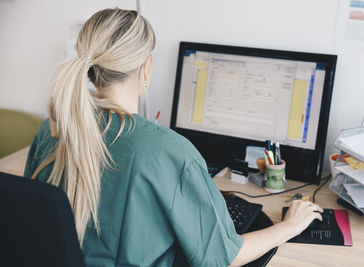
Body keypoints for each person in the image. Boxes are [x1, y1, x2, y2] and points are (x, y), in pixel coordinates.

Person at [24, 8, 323, 267]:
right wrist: (290, 226)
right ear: (146, 68)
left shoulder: (51, 130)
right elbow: (222, 258)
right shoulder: (168, 151)